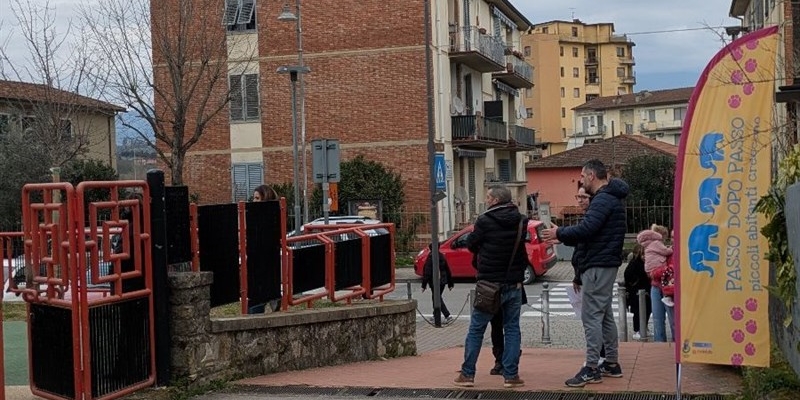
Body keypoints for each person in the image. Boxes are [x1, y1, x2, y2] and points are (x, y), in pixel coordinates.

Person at [540, 159, 628, 387]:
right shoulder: (612, 198)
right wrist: (564, 235)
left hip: (598, 265)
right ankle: (611, 363)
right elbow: (593, 232)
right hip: (605, 263)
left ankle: (591, 368)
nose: (581, 180)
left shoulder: (602, 200)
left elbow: (588, 228)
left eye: (582, 175)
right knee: (605, 315)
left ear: (591, 175)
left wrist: (560, 231)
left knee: (591, 317)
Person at [454, 184, 527, 389]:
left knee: (477, 329)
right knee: (512, 328)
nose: (486, 200)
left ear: (495, 200)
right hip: (513, 283)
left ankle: (468, 374)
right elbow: (522, 248)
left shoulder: (484, 220)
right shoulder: (521, 220)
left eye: (488, 197)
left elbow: (471, 243)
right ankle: (511, 375)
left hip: (488, 283)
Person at [571, 186, 606, 363]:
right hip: (586, 272)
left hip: (592, 272)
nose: (580, 200)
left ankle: (596, 359)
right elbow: (579, 250)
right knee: (601, 317)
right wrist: (577, 276)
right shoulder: (588, 217)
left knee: (592, 317)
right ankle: (605, 357)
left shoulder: (593, 219)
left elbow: (583, 249)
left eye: (584, 197)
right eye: (578, 196)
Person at [639, 224, 675, 342]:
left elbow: (673, 268)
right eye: (672, 237)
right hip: (657, 286)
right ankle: (660, 343)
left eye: (675, 237)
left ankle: (675, 342)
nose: (673, 239)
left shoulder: (675, 252)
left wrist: (655, 273)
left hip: (669, 288)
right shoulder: (662, 248)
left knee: (672, 319)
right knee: (657, 319)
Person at [624, 243, 652, 340]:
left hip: (646, 290)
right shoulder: (634, 263)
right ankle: (637, 330)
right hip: (636, 291)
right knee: (638, 311)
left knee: (648, 309)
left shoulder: (647, 263)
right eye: (642, 254)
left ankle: (644, 327)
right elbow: (627, 276)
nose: (644, 257)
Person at [421, 244, 455, 323]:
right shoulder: (441, 256)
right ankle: (435, 315)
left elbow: (427, 272)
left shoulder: (430, 257)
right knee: (437, 297)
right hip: (443, 281)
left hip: (434, 281)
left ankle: (447, 315)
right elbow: (447, 269)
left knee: (436, 298)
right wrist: (450, 283)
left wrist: (423, 285)